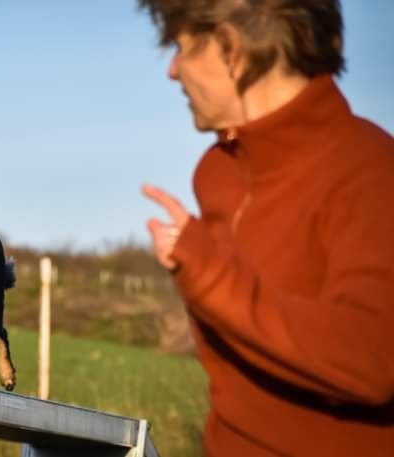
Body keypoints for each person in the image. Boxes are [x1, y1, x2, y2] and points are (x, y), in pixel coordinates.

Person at [137, 1, 394, 456]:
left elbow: (374, 359)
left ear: (232, 50)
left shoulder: (372, 170)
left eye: (182, 49)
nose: (172, 72)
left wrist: (212, 276)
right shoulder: (216, 173)